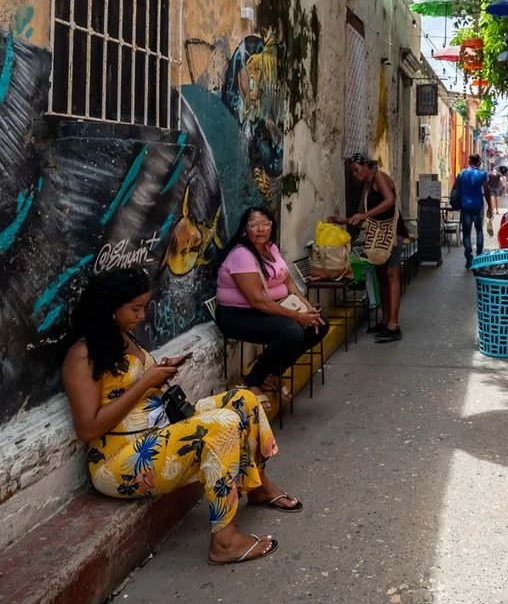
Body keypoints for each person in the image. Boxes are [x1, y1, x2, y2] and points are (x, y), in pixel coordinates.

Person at [62, 268, 301, 567]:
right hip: (120, 461)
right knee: (223, 425)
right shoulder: (82, 356)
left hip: (158, 433)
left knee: (245, 399)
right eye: (135, 308)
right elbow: (88, 428)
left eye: (143, 307)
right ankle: (223, 541)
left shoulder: (123, 338)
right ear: (110, 308)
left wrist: (155, 376)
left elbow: (136, 388)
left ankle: (259, 486)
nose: (142, 315)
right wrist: (145, 383)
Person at [215, 208, 330, 401]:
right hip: (237, 316)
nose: (260, 229)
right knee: (292, 332)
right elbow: (257, 300)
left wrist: (307, 307)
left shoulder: (270, 247)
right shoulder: (241, 255)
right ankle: (253, 381)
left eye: (265, 224)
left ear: (272, 226)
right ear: (245, 229)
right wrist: (297, 316)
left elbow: (287, 280)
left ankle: (276, 374)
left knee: (320, 323)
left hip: (265, 310)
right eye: (254, 225)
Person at [334, 153, 407, 343]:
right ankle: (384, 320)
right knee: (381, 275)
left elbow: (389, 200)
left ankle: (394, 325)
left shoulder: (378, 177)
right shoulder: (367, 185)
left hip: (392, 234)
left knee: (391, 274)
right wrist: (341, 220)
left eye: (357, 170)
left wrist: (365, 215)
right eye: (353, 173)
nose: (355, 175)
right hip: (379, 236)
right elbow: (362, 215)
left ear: (366, 166)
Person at [455, 153, 493, 269]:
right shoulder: (482, 174)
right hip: (478, 206)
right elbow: (486, 191)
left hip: (465, 206)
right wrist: (490, 206)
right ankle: (479, 257)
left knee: (466, 233)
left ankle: (469, 258)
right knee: (479, 230)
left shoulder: (462, 173)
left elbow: (455, 188)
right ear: (479, 163)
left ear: (469, 162)